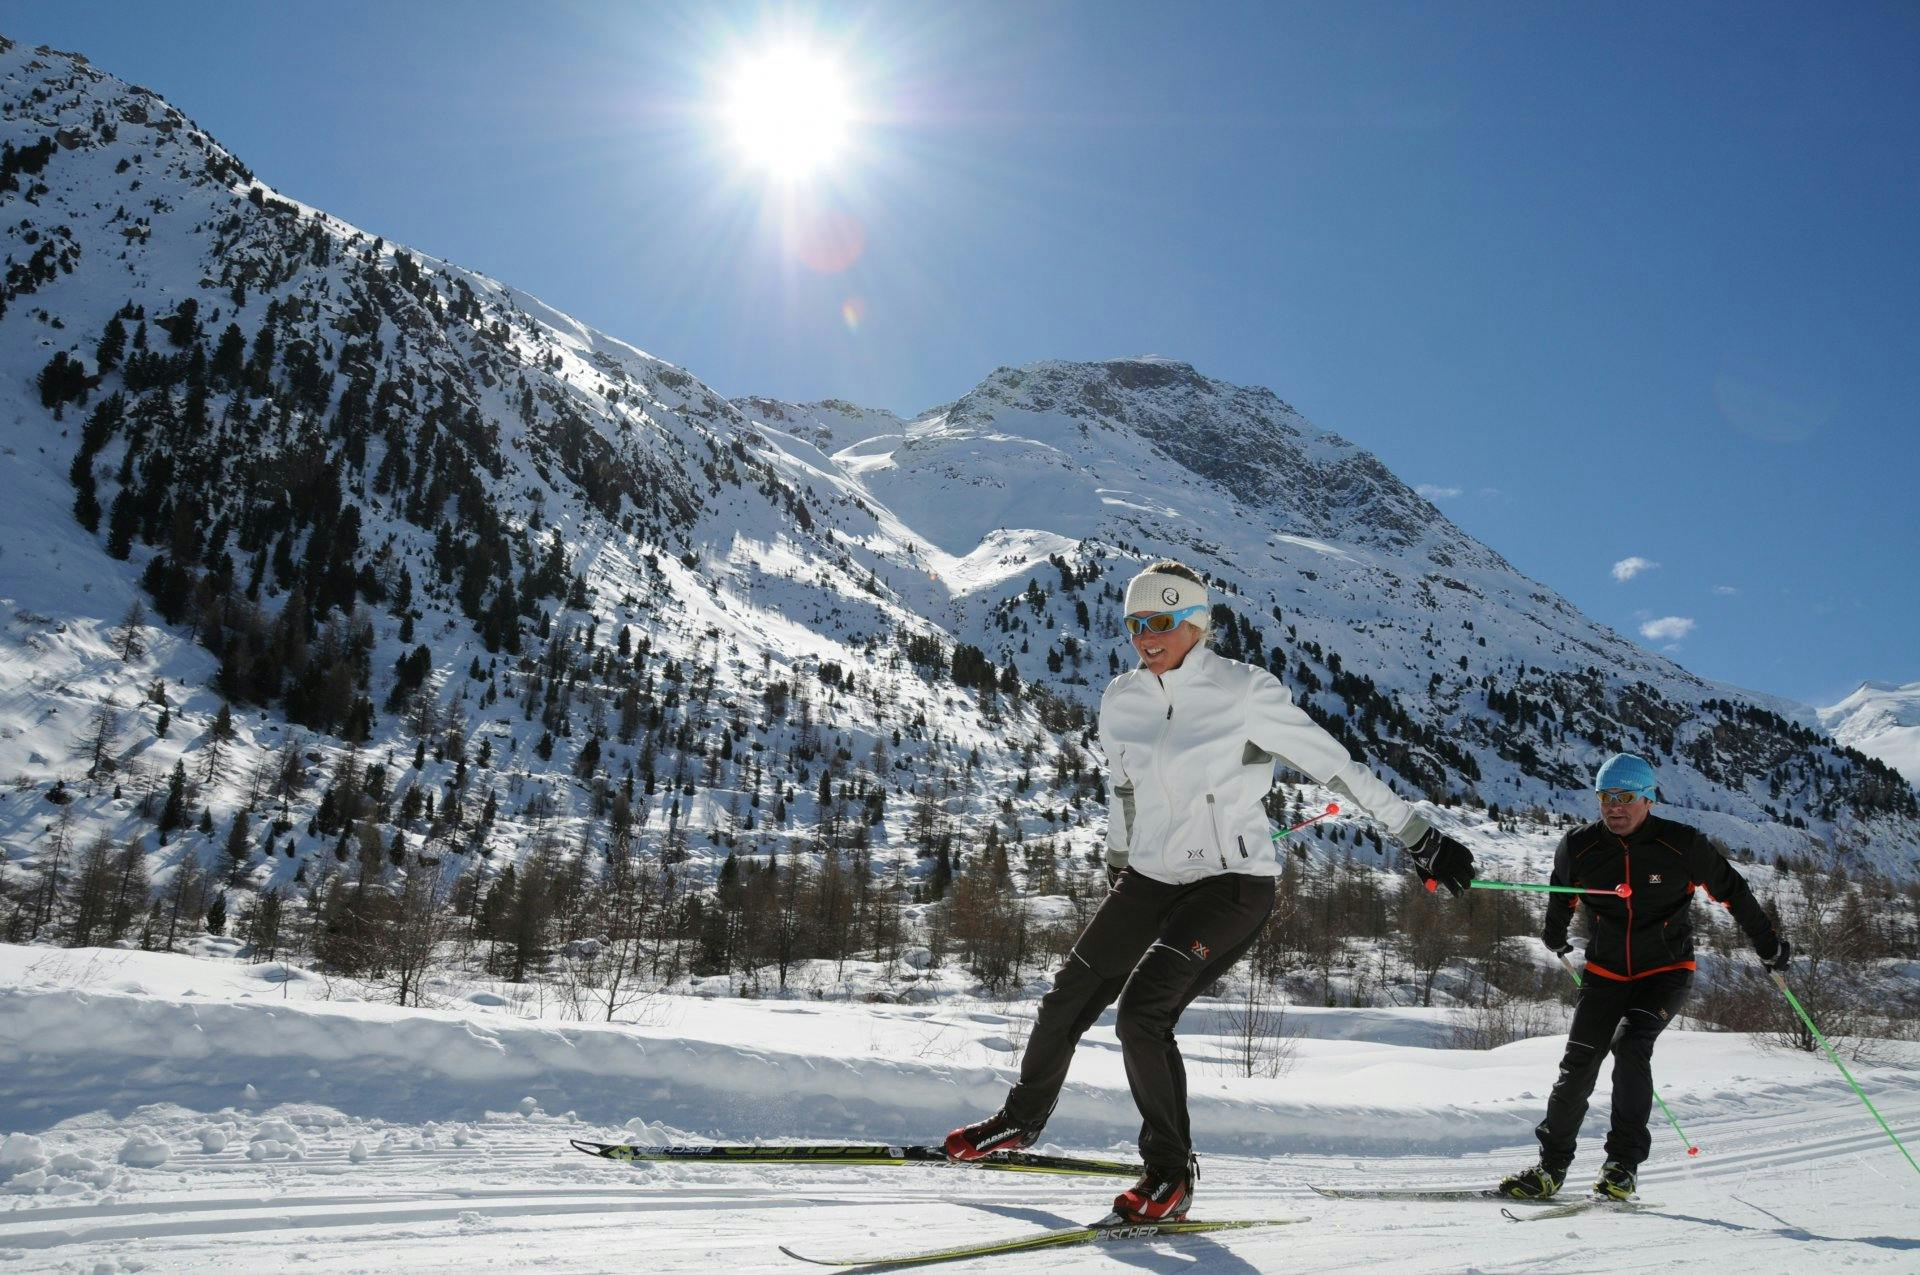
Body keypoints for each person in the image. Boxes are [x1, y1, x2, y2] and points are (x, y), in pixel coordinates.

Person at [944, 560, 1475, 1222]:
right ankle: (1020, 1121)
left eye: (1162, 622)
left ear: (1198, 623)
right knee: (1069, 994)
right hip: (1147, 878)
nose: (1146, 636)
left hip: (1231, 884)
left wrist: (1419, 835)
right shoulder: (1121, 698)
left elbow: (1334, 764)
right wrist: (1119, 861)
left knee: (1142, 1011)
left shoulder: (1244, 690)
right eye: (1136, 623)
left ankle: (1170, 1172)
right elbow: (1124, 788)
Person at [1499, 752, 1789, 1201]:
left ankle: (1622, 1166)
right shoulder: (1579, 846)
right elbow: (1561, 893)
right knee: (1578, 1064)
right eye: (1605, 796)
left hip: (1666, 970)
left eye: (1626, 797)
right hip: (1605, 970)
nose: (1614, 806)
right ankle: (1550, 1168)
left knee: (1631, 1046)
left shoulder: (1683, 845)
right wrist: (1554, 935)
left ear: (1648, 798)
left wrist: (1768, 943)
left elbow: (1733, 892)